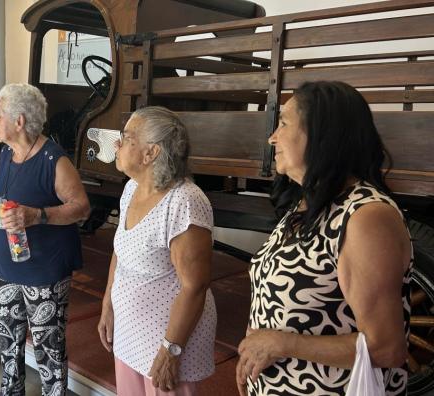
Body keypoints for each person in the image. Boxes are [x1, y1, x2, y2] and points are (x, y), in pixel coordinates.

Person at [236, 81, 411, 396]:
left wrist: (281, 343)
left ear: (321, 134)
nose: (272, 137)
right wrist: (255, 356)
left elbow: (387, 348)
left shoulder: (365, 217)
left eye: (284, 123)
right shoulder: (306, 204)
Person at [97, 106, 217, 396]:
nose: (117, 144)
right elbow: (120, 252)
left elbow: (195, 287)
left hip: (168, 342)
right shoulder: (131, 189)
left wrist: (171, 350)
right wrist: (108, 304)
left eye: (126, 138)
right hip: (129, 333)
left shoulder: (184, 201)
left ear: (150, 153)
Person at [0, 83, 90, 396]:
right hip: (7, 267)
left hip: (44, 271)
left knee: (48, 348)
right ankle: (11, 390)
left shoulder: (53, 160)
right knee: (8, 339)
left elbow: (81, 208)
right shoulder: (6, 153)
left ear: (19, 121)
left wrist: (38, 216)